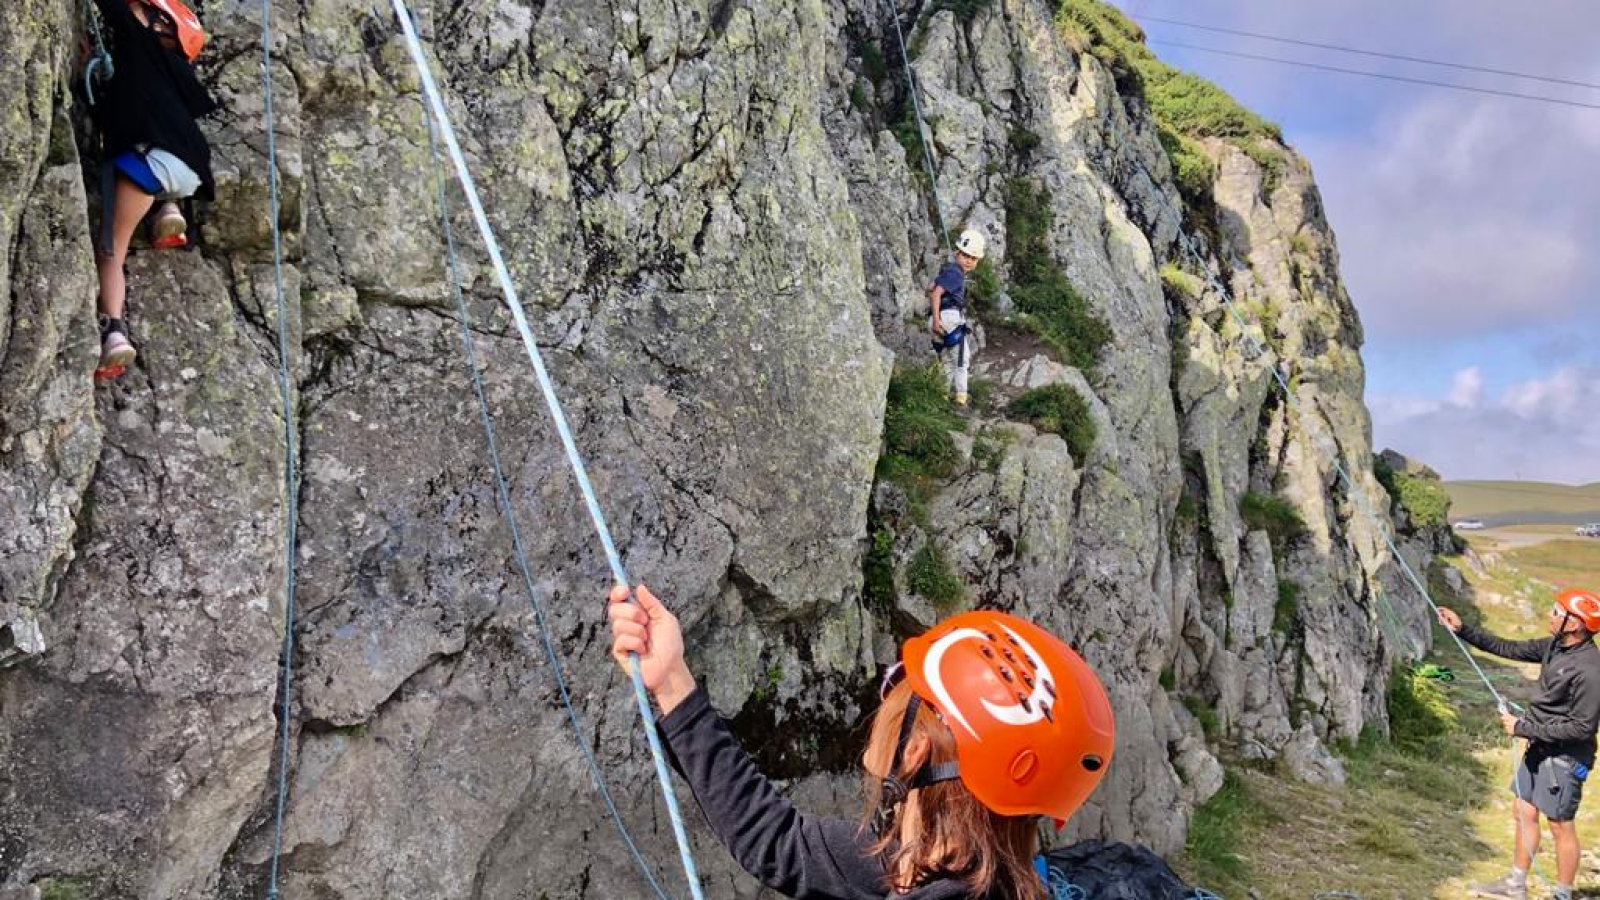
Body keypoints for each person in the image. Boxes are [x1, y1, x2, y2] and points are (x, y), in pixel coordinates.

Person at [607, 585, 1116, 899]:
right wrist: (671, 680)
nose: (886, 696)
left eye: (900, 689)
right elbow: (777, 842)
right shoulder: (918, 861)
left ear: (916, 751)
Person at [1438, 588, 1600, 900]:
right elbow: (1508, 647)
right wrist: (1462, 629)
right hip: (1539, 747)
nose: (1550, 614)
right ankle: (1515, 884)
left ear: (1575, 623)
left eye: (1557, 611)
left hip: (1566, 758)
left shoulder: (1590, 670)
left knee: (1560, 825)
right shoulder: (1555, 647)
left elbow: (1582, 727)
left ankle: (1563, 894)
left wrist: (1523, 728)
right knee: (1523, 811)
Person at [86, 0, 217, 382]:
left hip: (149, 162)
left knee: (112, 251)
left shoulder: (137, 42)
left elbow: (113, 9)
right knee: (163, 169)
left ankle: (114, 332)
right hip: (190, 172)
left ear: (157, 24)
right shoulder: (176, 73)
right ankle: (170, 211)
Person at [929, 230, 986, 409]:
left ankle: (942, 396)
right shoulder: (956, 273)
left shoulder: (950, 271)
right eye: (966, 256)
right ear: (957, 253)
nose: (969, 261)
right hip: (948, 318)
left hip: (937, 318)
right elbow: (936, 294)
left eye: (973, 258)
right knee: (962, 360)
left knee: (946, 361)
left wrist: (934, 320)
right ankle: (961, 400)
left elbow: (931, 287)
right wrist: (938, 320)